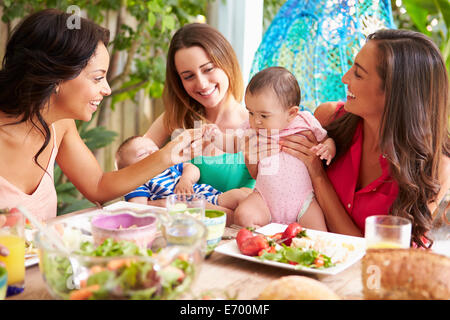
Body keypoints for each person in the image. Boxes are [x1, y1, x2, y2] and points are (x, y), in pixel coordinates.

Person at [0, 9, 202, 222]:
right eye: (97, 78)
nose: (107, 89)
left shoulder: (60, 125)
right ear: (56, 77)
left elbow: (97, 186)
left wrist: (168, 155)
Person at [279, 29, 450, 248]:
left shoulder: (435, 168)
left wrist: (318, 176)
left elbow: (376, 254)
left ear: (396, 92)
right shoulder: (327, 119)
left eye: (358, 74)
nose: (345, 78)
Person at [144, 23, 274, 196]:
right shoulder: (176, 118)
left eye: (208, 69)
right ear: (179, 81)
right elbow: (129, 164)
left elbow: (269, 204)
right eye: (188, 76)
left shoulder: (258, 125)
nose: (202, 84)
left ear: (226, 62)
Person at [208, 67, 336, 229]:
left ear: (291, 113)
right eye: (251, 113)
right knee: (243, 215)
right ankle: (266, 242)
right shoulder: (252, 129)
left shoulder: (305, 122)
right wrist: (216, 137)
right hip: (264, 199)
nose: (256, 121)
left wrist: (328, 149)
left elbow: (326, 139)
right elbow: (233, 143)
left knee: (319, 232)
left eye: (264, 115)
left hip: (303, 202)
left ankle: (292, 244)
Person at [115, 135, 247, 224]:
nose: (153, 154)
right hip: (191, 209)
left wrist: (185, 180)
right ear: (128, 171)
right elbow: (138, 207)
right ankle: (239, 220)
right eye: (142, 154)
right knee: (230, 215)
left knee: (239, 194)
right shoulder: (138, 182)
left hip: (211, 195)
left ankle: (256, 217)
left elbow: (191, 168)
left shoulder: (168, 166)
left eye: (155, 149)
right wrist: (168, 204)